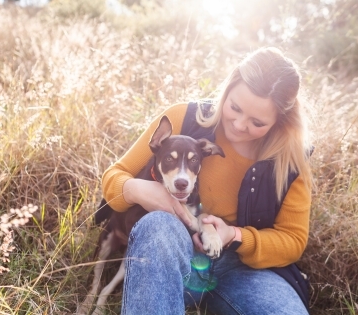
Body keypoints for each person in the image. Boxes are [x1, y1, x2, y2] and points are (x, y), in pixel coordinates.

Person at [101, 46, 313, 315]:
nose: (238, 124)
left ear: (280, 121)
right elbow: (113, 177)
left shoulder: (290, 161)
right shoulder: (183, 118)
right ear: (228, 88)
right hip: (173, 253)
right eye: (234, 107)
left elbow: (293, 240)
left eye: (257, 122)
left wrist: (235, 236)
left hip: (247, 271)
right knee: (157, 225)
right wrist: (136, 189)